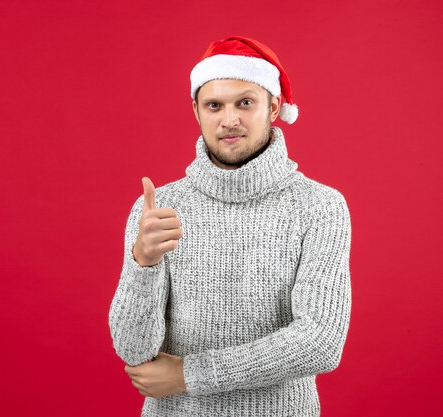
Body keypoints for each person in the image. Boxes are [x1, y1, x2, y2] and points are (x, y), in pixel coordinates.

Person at [108, 36, 352, 417]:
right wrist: (144, 263)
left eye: (245, 102)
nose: (229, 119)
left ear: (273, 107)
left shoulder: (319, 207)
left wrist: (191, 374)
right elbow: (134, 352)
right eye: (214, 105)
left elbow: (321, 341)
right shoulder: (159, 209)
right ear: (196, 111)